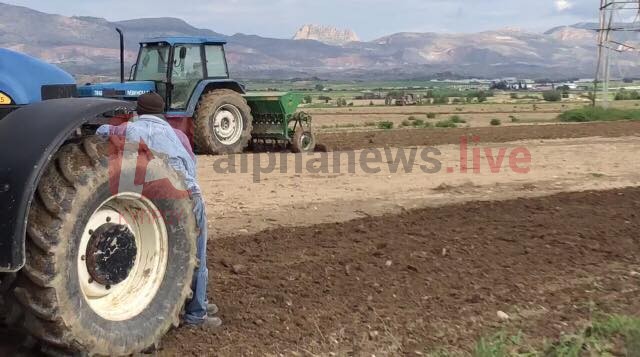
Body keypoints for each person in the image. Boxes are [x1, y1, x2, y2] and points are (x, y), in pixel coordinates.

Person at [96, 92, 221, 328]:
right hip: (186, 195)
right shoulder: (178, 135)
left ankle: (191, 305)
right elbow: (190, 166)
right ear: (161, 112)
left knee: (163, 253)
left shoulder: (128, 130)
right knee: (196, 254)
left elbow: (102, 132)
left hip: (151, 200)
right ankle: (196, 312)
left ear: (138, 111)